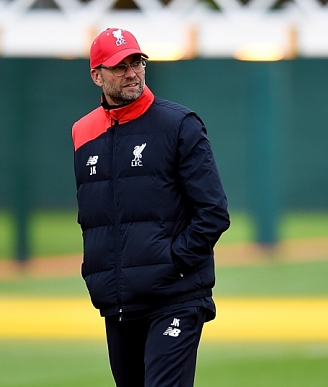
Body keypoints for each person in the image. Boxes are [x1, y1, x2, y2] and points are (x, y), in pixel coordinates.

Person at [71, 28, 230, 387]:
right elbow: (93, 218)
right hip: (119, 304)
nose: (132, 73)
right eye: (119, 66)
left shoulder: (179, 125)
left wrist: (171, 264)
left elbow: (214, 212)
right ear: (97, 75)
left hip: (175, 297)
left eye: (137, 62)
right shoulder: (82, 132)